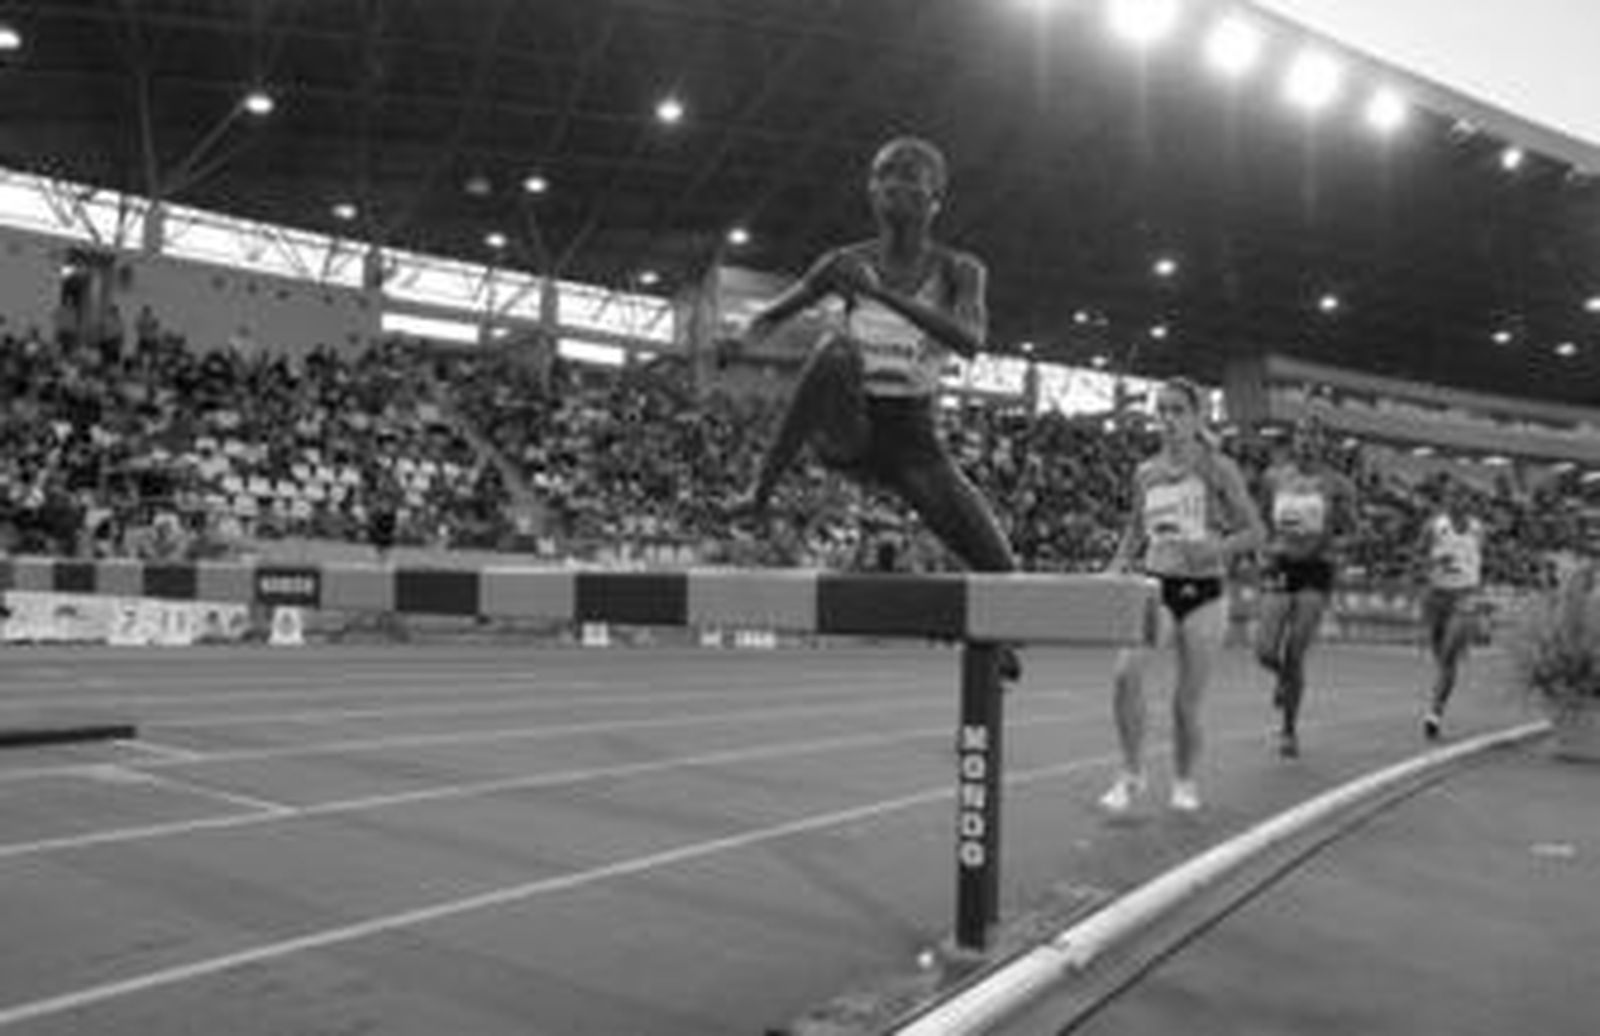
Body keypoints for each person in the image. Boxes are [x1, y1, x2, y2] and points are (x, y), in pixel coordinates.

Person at [725, 136, 1022, 677]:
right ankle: (759, 492)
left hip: (915, 442)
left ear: (937, 198)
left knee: (1004, 571)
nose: (893, 185)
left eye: (909, 175)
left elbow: (970, 340)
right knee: (834, 352)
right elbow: (769, 315)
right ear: (870, 190)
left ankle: (991, 641)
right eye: (883, 175)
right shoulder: (843, 264)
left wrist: (883, 296)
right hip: (852, 429)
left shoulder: (960, 270)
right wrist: (741, 337)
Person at [1099, 378, 1266, 813]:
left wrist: (1217, 547)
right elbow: (1136, 528)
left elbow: (1256, 532)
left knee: (1186, 702)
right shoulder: (1146, 472)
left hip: (1206, 594)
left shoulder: (1218, 468)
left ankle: (1185, 779)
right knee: (1125, 674)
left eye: (1177, 411)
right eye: (1163, 411)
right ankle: (1131, 774)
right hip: (1157, 588)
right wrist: (1116, 564)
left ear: (1197, 417)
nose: (1168, 420)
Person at [1254, 414, 1359, 758]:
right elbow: (1260, 522)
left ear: (1323, 442)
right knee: (1266, 651)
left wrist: (1338, 548)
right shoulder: (1273, 478)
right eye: (1301, 435)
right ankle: (1284, 679)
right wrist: (1262, 552)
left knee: (1295, 651)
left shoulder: (1337, 484)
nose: (1306, 441)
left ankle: (1288, 731)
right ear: (1293, 440)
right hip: (1281, 565)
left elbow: (1354, 531)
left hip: (1317, 569)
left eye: (1314, 435)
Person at [1415, 480, 1485, 740]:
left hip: (1465, 595)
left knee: (1447, 654)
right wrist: (1435, 559)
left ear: (1468, 502)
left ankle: (1434, 713)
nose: (1457, 502)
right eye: (1452, 497)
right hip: (1436, 595)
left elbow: (1478, 557)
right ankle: (1440, 698)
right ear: (1445, 501)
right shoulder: (1434, 526)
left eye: (1462, 497)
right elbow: (1416, 556)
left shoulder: (1478, 529)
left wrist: (1475, 585)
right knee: (1442, 661)